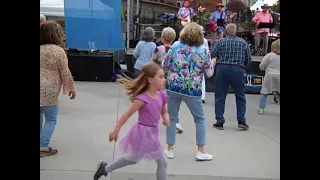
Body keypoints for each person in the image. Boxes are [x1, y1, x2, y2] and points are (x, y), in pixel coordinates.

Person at [93, 63, 169, 180]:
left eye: (164, 76)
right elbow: (126, 115)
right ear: (150, 80)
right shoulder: (142, 99)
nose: (164, 79)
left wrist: (165, 118)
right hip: (142, 133)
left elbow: (163, 111)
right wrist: (115, 131)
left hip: (153, 133)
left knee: (132, 159)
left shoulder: (162, 95)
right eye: (161, 77)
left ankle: (105, 168)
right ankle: (105, 168)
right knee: (162, 161)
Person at [163, 22, 214, 160]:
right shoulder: (203, 50)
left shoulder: (175, 46)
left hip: (173, 86)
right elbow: (209, 73)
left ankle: (170, 149)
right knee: (199, 119)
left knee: (172, 118)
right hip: (192, 89)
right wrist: (212, 64)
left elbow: (165, 65)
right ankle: (201, 151)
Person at [40, 21, 76, 157]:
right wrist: (71, 88)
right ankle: (43, 145)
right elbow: (65, 72)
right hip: (49, 88)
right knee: (51, 119)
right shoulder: (58, 51)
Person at [211, 23, 251, 131]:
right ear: (236, 31)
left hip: (222, 68)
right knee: (240, 96)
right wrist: (243, 68)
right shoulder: (243, 43)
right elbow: (249, 60)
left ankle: (219, 121)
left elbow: (212, 54)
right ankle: (241, 120)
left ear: (226, 31)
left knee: (220, 95)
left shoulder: (220, 42)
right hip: (238, 69)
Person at [258, 39, 280, 115]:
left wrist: (262, 69)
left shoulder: (269, 55)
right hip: (279, 76)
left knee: (264, 92)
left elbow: (261, 66)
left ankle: (261, 108)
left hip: (269, 75)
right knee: (279, 92)